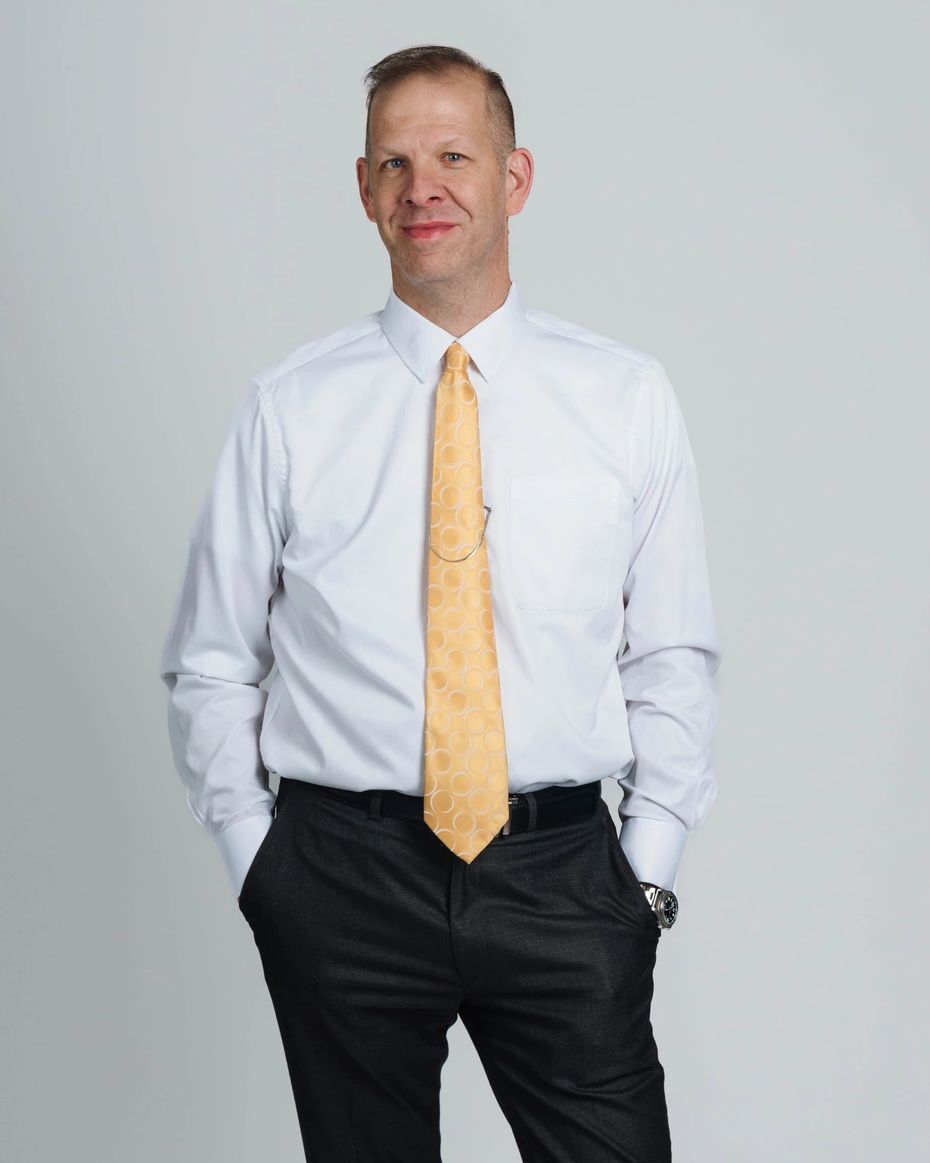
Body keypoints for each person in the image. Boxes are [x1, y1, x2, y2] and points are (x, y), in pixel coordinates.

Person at [158, 42, 722, 1163]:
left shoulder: (624, 398)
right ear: (364, 190)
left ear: (513, 179)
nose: (426, 188)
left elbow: (671, 655)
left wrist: (644, 872)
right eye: (396, 162)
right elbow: (213, 660)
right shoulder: (289, 408)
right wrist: (258, 865)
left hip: (562, 869)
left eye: (455, 155)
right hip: (340, 874)